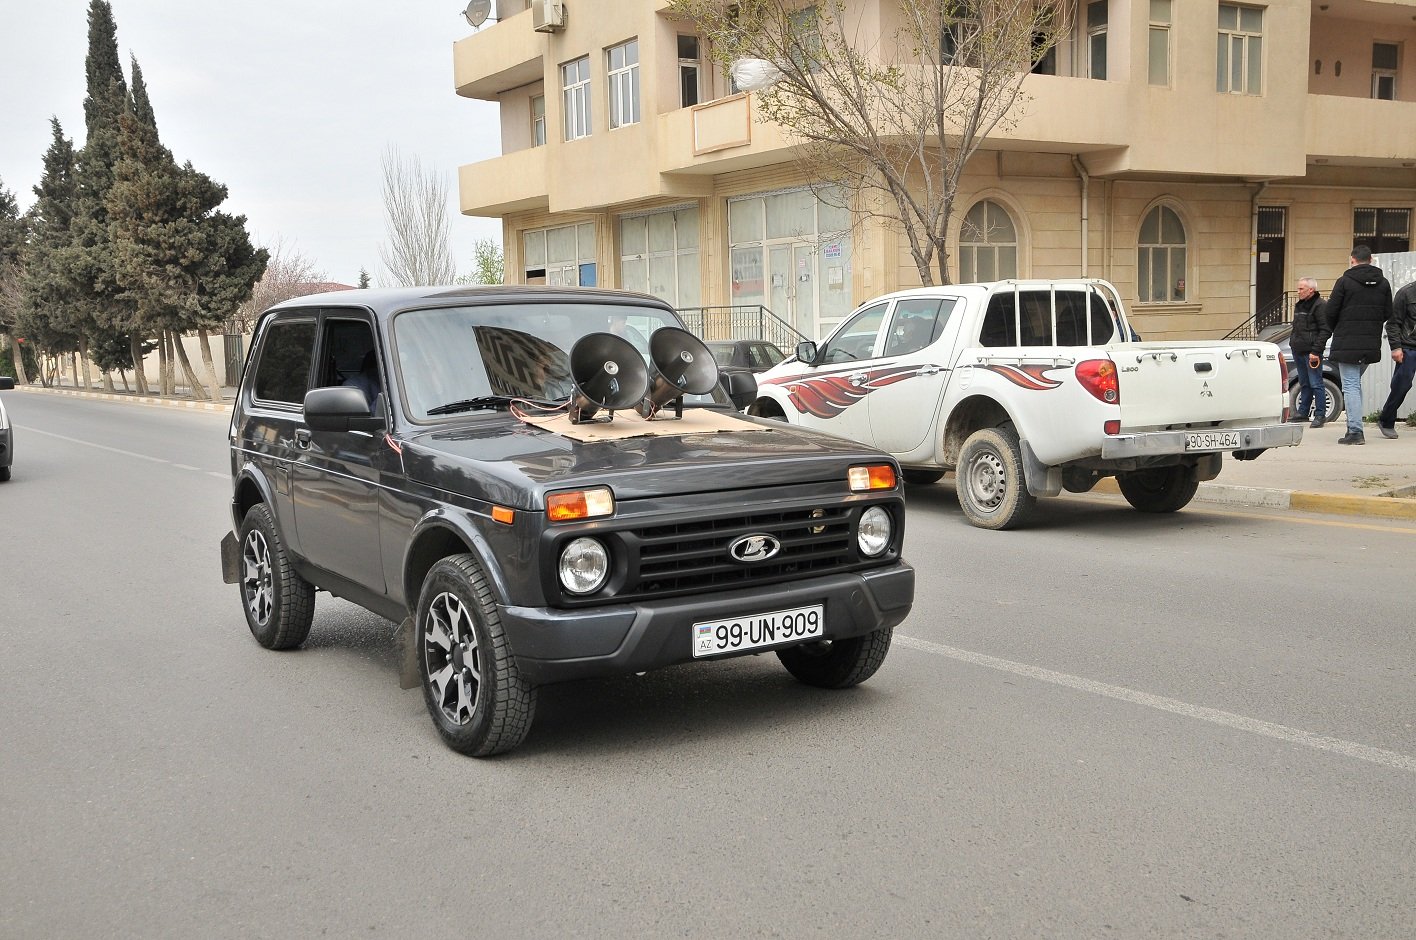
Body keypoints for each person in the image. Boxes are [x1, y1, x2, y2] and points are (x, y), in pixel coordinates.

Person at [1313, 245, 1394, 445]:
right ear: (1371, 259)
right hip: (1370, 343)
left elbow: (1330, 312)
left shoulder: (1344, 282)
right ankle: (1355, 426)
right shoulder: (1383, 283)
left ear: (1352, 260)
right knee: (1354, 384)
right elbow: (1387, 312)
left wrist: (1339, 327)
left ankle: (1355, 432)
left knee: (1350, 385)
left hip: (1347, 341)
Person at [1376, 278, 1416, 438]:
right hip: (1409, 347)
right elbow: (1392, 324)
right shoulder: (1406, 293)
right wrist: (1396, 347)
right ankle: (1386, 420)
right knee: (1402, 385)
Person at [1288, 276, 1327, 428]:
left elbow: (1325, 330)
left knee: (1316, 383)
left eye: (1301, 289)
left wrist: (1316, 351)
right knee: (1304, 383)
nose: (1298, 292)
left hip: (1311, 352)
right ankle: (1303, 412)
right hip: (1298, 349)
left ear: (1311, 290)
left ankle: (1320, 415)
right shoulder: (1300, 305)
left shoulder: (1320, 305)